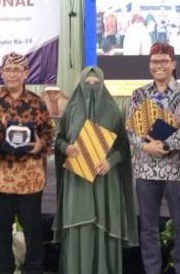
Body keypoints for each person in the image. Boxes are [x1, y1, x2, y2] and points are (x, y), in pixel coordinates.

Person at [53, 66, 138, 274]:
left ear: (103, 84)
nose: (91, 87)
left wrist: (111, 161)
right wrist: (67, 148)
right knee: (77, 227)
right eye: (87, 83)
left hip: (105, 182)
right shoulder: (71, 110)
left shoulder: (113, 111)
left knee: (103, 226)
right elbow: (59, 139)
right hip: (76, 181)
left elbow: (124, 147)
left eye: (96, 83)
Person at [126, 43, 180, 274]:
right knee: (148, 227)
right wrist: (146, 146)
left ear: (173, 64)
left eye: (164, 61)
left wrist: (166, 144)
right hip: (145, 170)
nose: (159, 66)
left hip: (175, 169)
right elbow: (130, 130)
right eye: (155, 61)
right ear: (150, 65)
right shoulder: (139, 94)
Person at [0, 52, 54, 274]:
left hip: (28, 178)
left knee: (32, 231)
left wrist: (41, 145)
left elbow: (48, 132)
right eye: (8, 70)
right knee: (1, 232)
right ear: (1, 73)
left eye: (17, 70)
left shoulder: (36, 103)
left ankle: (33, 269)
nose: (12, 74)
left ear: (26, 74)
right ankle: (3, 270)